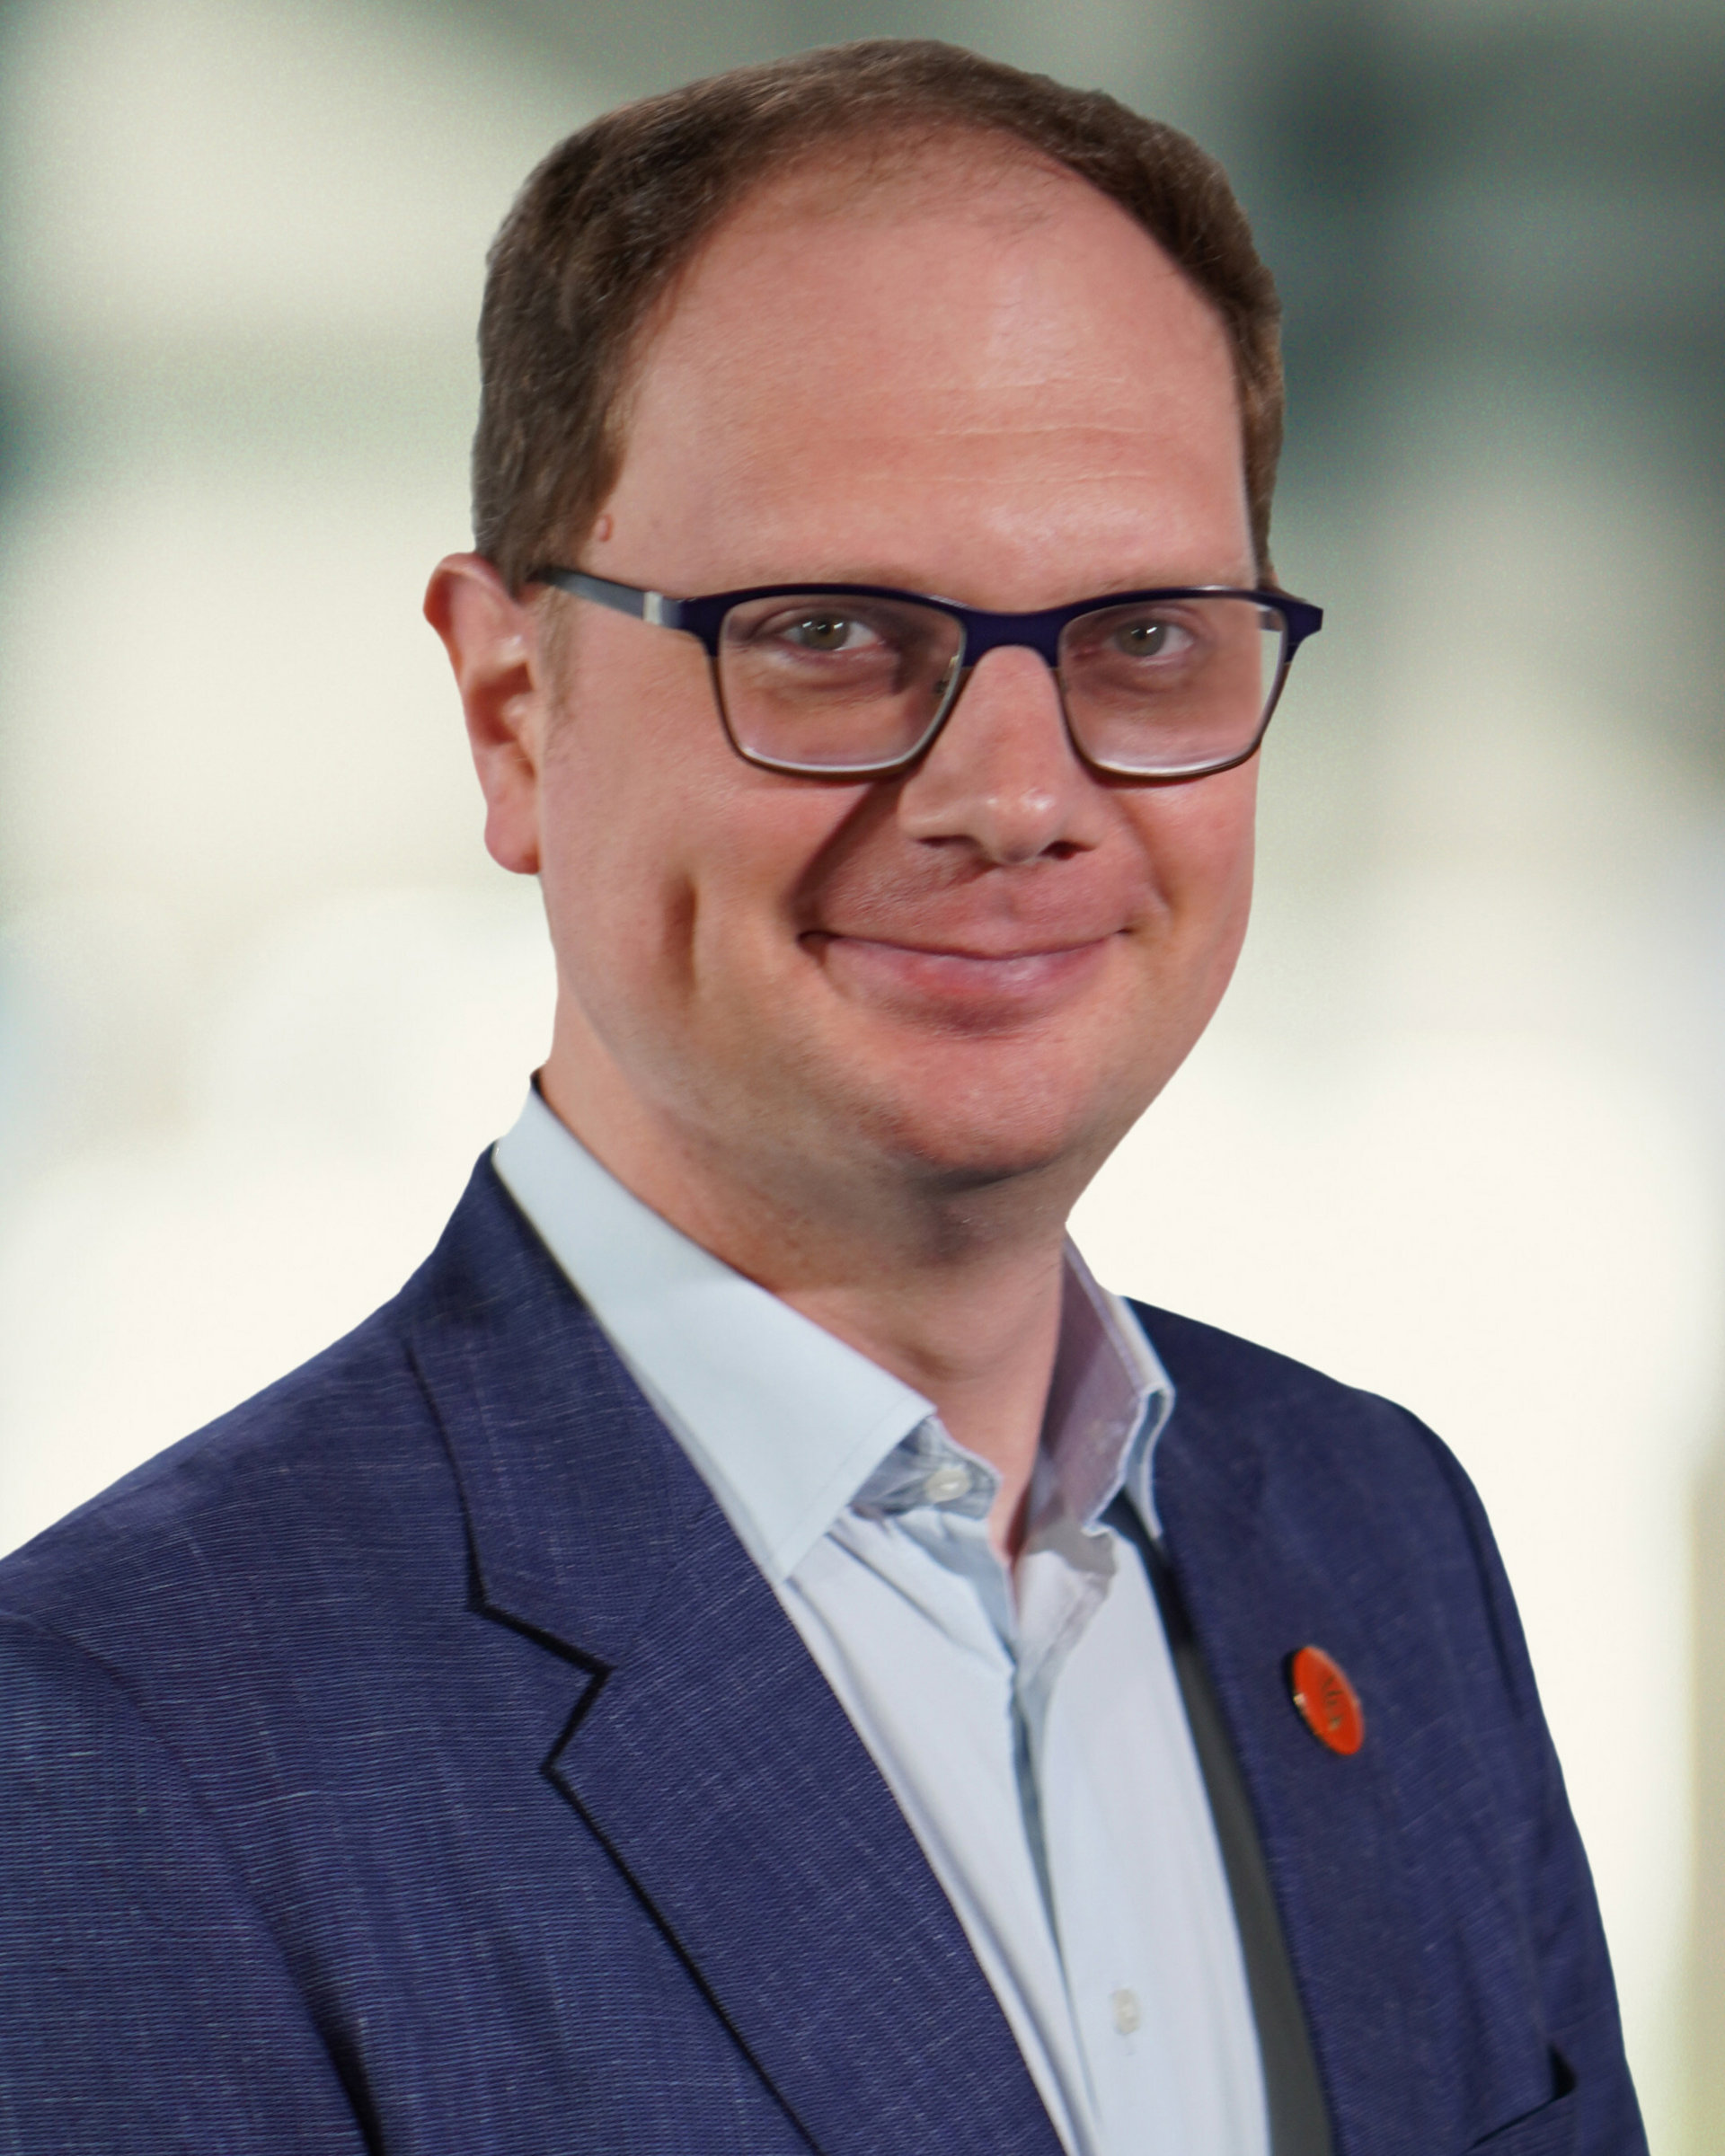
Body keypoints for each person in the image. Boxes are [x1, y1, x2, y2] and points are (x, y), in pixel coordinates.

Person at [0, 40, 1641, 2156]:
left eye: (1146, 637)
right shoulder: (125, 1744)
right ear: (512, 711)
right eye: (834, 632)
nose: (1015, 797)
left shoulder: (1378, 1537)